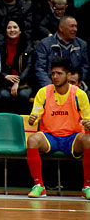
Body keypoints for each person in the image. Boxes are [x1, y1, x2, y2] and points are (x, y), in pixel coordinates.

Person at [27, 58, 90, 199]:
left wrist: (88, 124)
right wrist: (32, 119)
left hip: (72, 137)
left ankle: (87, 186)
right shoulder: (43, 92)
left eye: (59, 73)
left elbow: (88, 119)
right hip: (50, 137)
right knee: (32, 139)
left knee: (89, 140)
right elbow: (35, 114)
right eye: (53, 73)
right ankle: (39, 186)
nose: (55, 76)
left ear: (68, 76)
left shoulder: (79, 94)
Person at [35, 17, 89, 88]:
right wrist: (51, 88)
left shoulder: (82, 44)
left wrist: (78, 83)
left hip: (75, 86)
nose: (75, 29)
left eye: (76, 26)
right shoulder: (45, 44)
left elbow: (85, 67)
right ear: (61, 28)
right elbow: (40, 68)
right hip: (52, 85)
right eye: (72, 26)